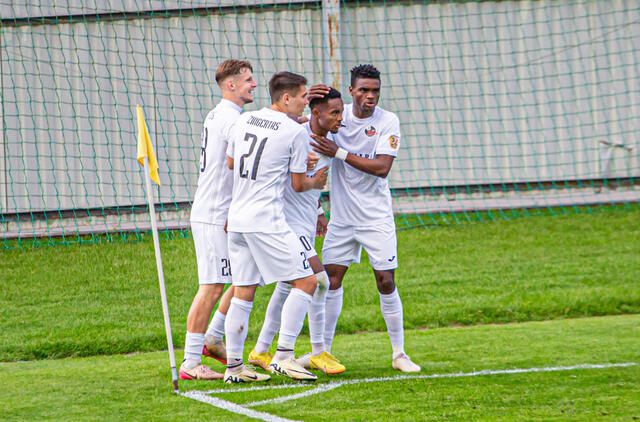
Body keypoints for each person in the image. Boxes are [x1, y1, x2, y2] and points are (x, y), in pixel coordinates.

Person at [310, 64, 421, 373]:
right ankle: (323, 352)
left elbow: (382, 167)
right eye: (364, 90)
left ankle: (399, 354)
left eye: (375, 91)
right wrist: (307, 100)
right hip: (342, 218)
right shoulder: (338, 116)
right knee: (330, 281)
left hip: (376, 217)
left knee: (385, 280)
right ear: (351, 91)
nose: (370, 96)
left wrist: (339, 152)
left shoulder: (388, 121)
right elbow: (308, 126)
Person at [223, 71, 328, 383]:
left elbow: (231, 163)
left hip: (238, 218)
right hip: (266, 220)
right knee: (307, 282)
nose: (306, 103)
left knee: (243, 292)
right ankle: (283, 356)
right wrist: (316, 181)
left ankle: (234, 367)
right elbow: (298, 185)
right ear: (286, 98)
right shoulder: (294, 132)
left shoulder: (244, 119)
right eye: (303, 97)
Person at [247, 87, 346, 376]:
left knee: (287, 285)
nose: (340, 118)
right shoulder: (295, 134)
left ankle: (261, 349)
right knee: (320, 281)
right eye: (334, 113)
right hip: (287, 224)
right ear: (315, 112)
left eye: (341, 112)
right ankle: (316, 352)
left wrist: (318, 212)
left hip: (303, 221)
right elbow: (292, 179)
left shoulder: (327, 142)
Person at [179, 59, 258, 380]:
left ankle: (213, 337)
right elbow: (234, 165)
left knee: (246, 278)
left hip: (224, 213)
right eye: (248, 80)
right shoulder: (230, 119)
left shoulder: (223, 115)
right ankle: (189, 362)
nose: (254, 85)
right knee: (211, 287)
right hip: (214, 214)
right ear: (231, 85)